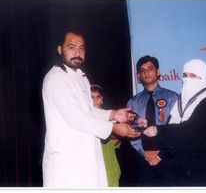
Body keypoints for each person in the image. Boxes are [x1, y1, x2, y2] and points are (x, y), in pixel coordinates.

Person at [42, 28, 140, 187]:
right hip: (66, 163)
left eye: (81, 48)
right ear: (60, 49)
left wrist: (113, 114)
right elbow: (77, 117)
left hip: (84, 159)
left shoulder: (81, 77)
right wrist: (114, 129)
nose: (78, 52)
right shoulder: (56, 78)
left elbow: (88, 111)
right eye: (71, 47)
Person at [142, 59, 206, 186]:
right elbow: (171, 131)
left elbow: (189, 130)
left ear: (203, 77)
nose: (188, 79)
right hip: (180, 169)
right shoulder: (181, 101)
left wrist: (157, 130)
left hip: (201, 169)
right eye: (185, 75)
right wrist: (155, 149)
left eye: (193, 76)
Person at [124, 55, 178, 186]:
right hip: (144, 161)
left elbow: (176, 128)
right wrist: (145, 153)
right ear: (139, 76)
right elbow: (131, 131)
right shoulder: (133, 102)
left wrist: (160, 152)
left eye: (150, 68)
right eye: (142, 70)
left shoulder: (172, 98)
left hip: (168, 158)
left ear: (158, 72)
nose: (146, 72)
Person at [90, 84, 121, 187]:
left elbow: (116, 140)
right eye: (92, 97)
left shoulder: (111, 116)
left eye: (98, 97)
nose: (95, 100)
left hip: (108, 162)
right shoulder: (82, 118)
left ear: (102, 99)